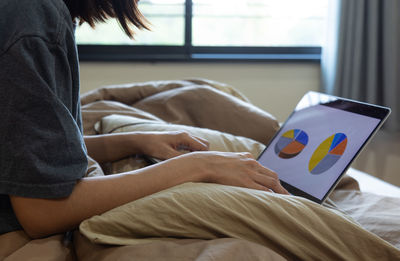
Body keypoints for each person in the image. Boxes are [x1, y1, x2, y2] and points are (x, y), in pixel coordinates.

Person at [0, 0, 288, 239]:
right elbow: (43, 211)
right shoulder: (30, 19)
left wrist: (135, 141)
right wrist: (199, 166)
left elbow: (29, 152)